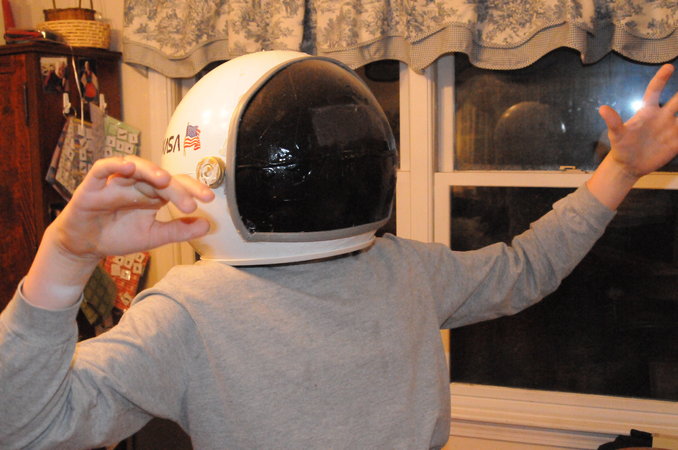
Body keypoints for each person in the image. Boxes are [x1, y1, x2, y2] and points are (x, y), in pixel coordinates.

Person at [0, 60, 676, 449]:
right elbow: (24, 426)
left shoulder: (405, 270)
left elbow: (527, 269)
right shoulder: (185, 314)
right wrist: (64, 258)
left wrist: (619, 170)